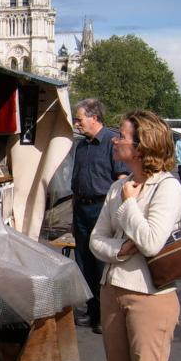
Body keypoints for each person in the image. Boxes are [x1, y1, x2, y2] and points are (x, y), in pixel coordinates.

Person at [78, 110, 181, 361]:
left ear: (142, 146)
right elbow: (96, 240)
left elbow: (153, 242)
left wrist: (128, 206)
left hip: (150, 298)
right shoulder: (119, 186)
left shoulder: (166, 187)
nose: (114, 141)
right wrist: (119, 253)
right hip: (114, 289)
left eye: (121, 136)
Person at [71, 99, 129, 334]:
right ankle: (91, 310)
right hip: (81, 208)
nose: (77, 123)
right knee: (83, 260)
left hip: (101, 208)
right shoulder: (82, 145)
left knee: (100, 262)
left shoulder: (111, 142)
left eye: (80, 118)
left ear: (94, 117)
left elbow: (121, 179)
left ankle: (103, 316)